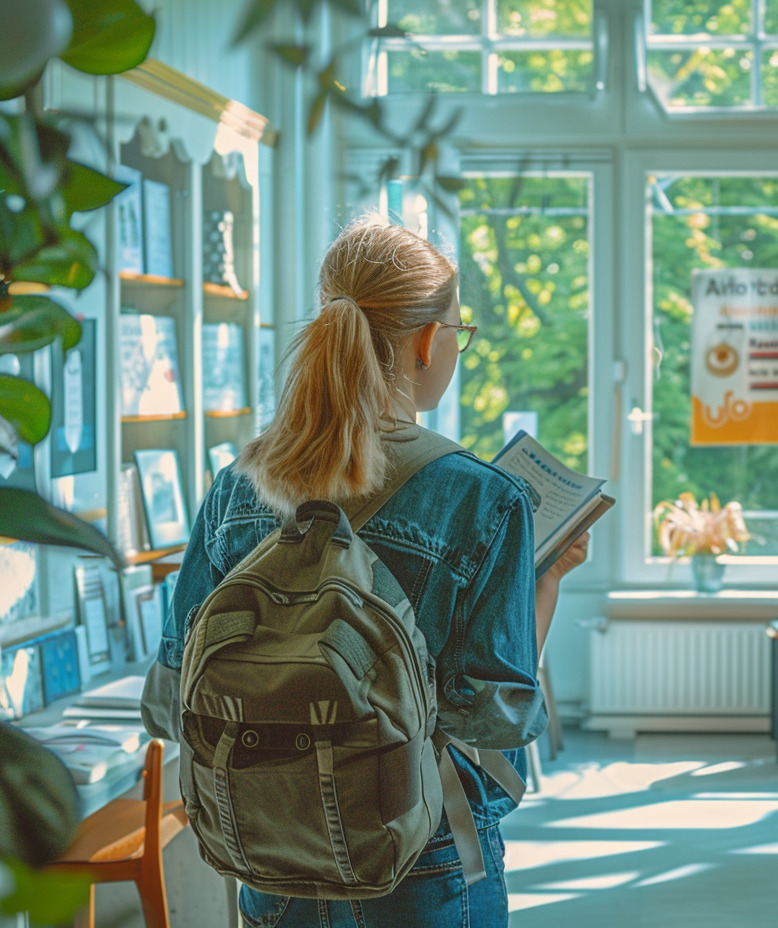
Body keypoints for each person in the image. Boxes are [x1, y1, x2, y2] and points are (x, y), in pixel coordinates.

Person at [143, 214, 588, 928]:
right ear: (424, 342)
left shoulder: (237, 486)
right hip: (425, 851)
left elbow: (169, 697)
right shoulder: (482, 497)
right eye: (458, 333)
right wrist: (547, 582)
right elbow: (495, 719)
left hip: (269, 852)